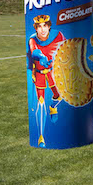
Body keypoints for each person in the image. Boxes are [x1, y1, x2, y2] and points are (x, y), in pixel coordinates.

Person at [28, 14, 65, 147]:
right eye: (39, 26)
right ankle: (41, 137)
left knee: (58, 96)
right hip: (39, 74)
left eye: (45, 26)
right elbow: (34, 52)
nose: (42, 29)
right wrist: (41, 56)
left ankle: (53, 107)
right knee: (41, 102)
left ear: (49, 26)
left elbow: (65, 49)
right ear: (36, 28)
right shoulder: (32, 40)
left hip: (53, 72)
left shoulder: (58, 35)